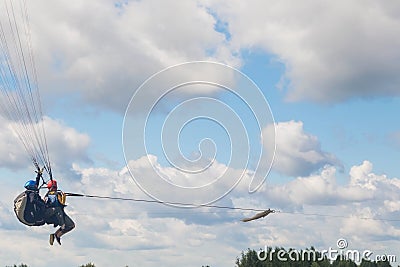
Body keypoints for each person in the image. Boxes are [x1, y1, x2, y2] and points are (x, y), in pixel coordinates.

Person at [43, 179, 75, 245]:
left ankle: (57, 235)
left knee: (71, 225)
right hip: (55, 215)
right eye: (54, 187)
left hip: (60, 214)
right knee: (66, 225)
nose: (54, 189)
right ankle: (59, 231)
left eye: (55, 187)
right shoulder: (51, 195)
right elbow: (61, 203)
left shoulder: (54, 194)